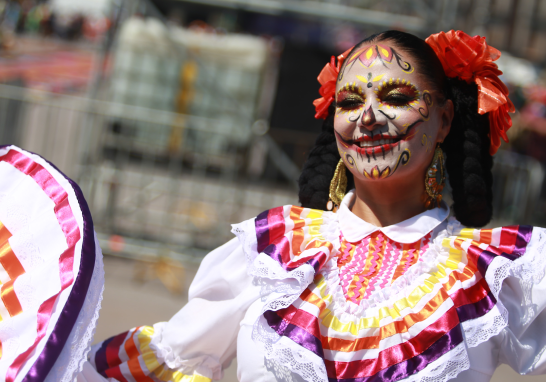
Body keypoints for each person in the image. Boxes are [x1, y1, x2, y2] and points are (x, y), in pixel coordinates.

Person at [3, 29, 545, 382]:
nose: (368, 118)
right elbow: (171, 358)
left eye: (397, 98)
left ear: (445, 118)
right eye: (350, 101)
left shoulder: (498, 271)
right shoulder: (272, 249)